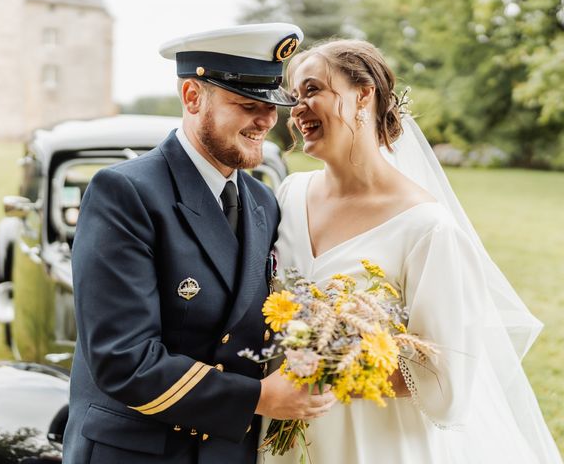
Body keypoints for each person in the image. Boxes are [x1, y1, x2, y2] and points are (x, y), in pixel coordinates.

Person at [263, 39, 562, 463]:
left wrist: (330, 367)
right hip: (287, 436)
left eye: (312, 90)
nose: (297, 109)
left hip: (374, 441)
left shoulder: (427, 228)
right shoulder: (290, 195)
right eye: (294, 97)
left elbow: (446, 380)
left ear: (363, 94)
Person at [61, 23, 337, 464]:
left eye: (271, 105)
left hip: (228, 452)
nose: (266, 120)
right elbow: (123, 358)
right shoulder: (126, 193)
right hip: (138, 452)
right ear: (192, 97)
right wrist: (259, 398)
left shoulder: (263, 201)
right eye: (247, 104)